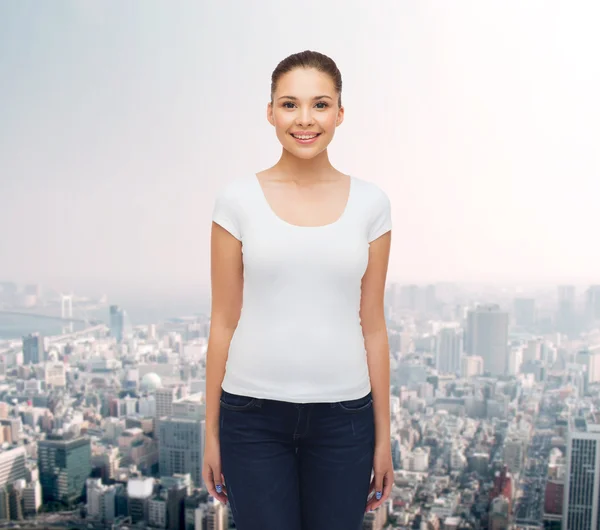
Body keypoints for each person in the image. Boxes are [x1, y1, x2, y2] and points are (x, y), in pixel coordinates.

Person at [202, 50, 393, 530]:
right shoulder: (236, 200)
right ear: (270, 112)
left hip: (346, 419)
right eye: (289, 104)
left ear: (340, 114)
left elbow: (373, 325)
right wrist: (211, 434)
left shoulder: (372, 203)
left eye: (320, 104)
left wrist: (383, 437)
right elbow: (223, 319)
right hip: (250, 417)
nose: (304, 119)